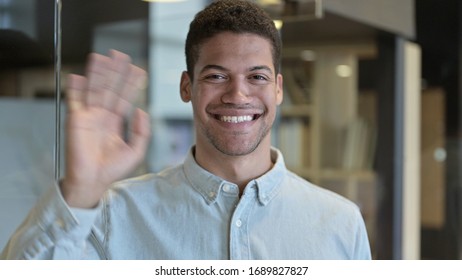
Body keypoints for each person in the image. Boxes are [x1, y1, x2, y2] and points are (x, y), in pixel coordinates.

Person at [1, 0, 371, 260]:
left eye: (256, 77)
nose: (238, 94)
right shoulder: (116, 215)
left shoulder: (341, 223)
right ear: (186, 87)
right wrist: (80, 188)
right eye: (216, 76)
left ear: (277, 88)